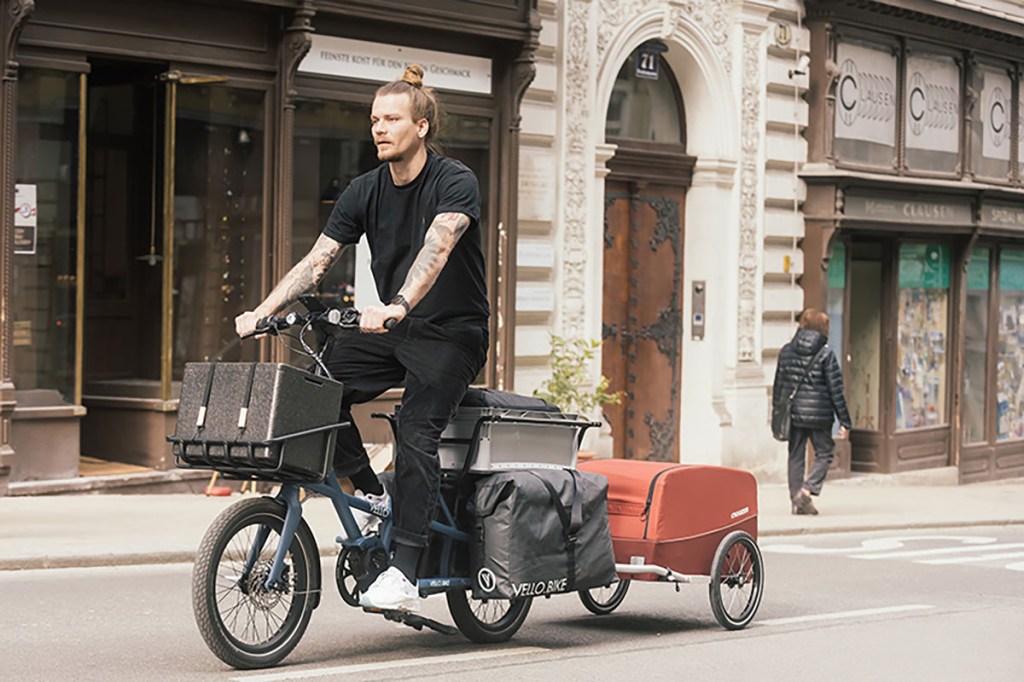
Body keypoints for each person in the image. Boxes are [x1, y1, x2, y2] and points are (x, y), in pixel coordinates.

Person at [235, 65, 488, 613]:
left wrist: (398, 304)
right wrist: (264, 309)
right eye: (374, 119)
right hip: (393, 329)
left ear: (421, 126)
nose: (379, 128)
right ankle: (370, 490)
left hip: (451, 333)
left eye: (392, 119)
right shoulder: (365, 189)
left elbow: (437, 249)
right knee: (315, 393)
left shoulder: (454, 181)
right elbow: (317, 260)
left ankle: (407, 570)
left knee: (417, 432)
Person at [772, 309, 852, 515]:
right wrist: (845, 421)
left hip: (795, 413)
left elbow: (779, 386)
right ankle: (806, 492)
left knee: (795, 454)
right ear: (823, 328)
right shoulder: (826, 354)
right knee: (825, 452)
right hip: (820, 414)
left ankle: (795, 500)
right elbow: (836, 390)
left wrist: (776, 413)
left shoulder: (786, 351)